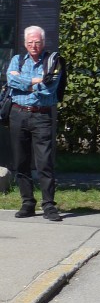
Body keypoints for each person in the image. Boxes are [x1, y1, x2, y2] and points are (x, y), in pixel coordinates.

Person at [7, 26, 63, 221]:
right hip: (18, 114)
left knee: (44, 162)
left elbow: (49, 88)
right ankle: (27, 203)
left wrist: (24, 82)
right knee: (20, 161)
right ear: (25, 43)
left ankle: (49, 206)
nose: (33, 45)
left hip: (42, 116)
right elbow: (10, 81)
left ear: (43, 43)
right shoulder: (17, 60)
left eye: (37, 42)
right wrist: (35, 82)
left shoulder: (53, 61)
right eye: (30, 42)